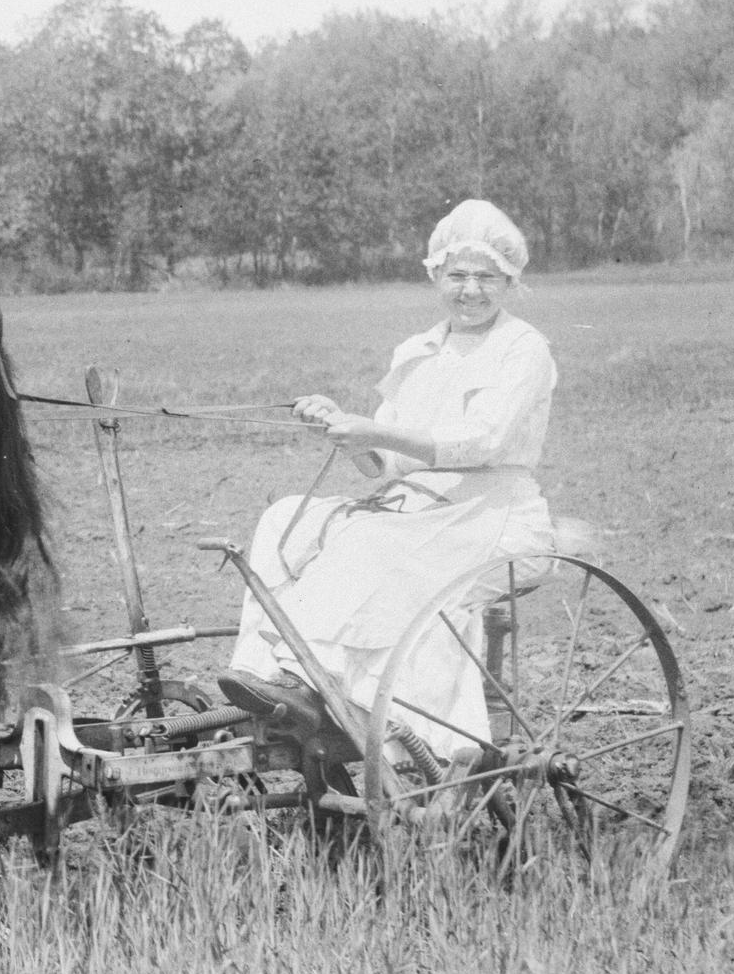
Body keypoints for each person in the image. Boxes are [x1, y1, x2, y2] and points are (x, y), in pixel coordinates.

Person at [218, 199, 558, 775]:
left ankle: (313, 680)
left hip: (493, 510)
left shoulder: (523, 349)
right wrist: (341, 429)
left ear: (510, 281)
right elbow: (385, 464)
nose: (470, 290)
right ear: (435, 275)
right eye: (457, 275)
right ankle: (264, 676)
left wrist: (374, 430)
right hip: (417, 504)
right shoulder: (419, 351)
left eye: (486, 277)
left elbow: (482, 442)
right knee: (285, 520)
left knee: (367, 542)